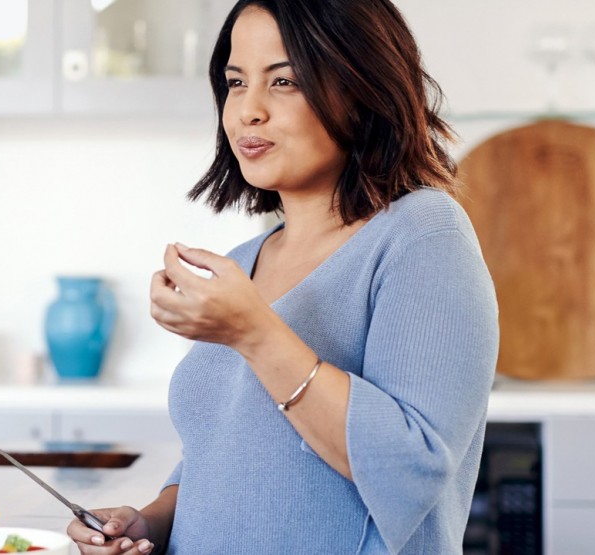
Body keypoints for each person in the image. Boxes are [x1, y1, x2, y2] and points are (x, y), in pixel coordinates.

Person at [66, 0, 499, 553]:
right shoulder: (248, 257)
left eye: (285, 81)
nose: (248, 110)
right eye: (235, 81)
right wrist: (148, 523)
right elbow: (225, 463)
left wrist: (254, 332)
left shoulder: (422, 235)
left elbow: (412, 465)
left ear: (362, 86)